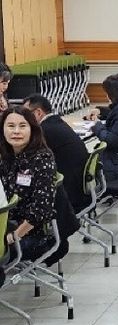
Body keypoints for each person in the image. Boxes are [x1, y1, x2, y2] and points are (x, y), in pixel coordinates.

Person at [0, 107, 57, 261]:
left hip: (28, 234)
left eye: (22, 126)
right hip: (5, 225)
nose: (16, 131)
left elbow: (41, 210)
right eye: (10, 126)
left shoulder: (41, 160)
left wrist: (14, 236)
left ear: (32, 129)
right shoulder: (7, 157)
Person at [23, 94, 90, 213]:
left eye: (26, 114)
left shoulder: (44, 131)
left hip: (68, 192)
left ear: (38, 113)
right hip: (79, 185)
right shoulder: (55, 122)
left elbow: (28, 159)